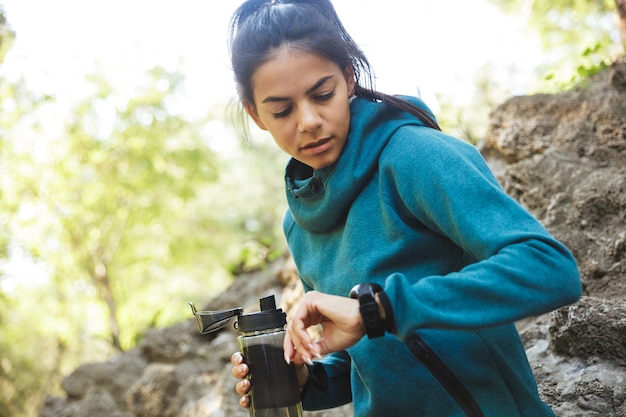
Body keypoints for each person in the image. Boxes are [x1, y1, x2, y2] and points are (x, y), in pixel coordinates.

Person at [227, 0, 582, 416]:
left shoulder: (414, 156)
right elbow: (365, 357)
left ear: (348, 76)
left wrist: (383, 308)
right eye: (282, 110)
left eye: (323, 94)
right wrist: (308, 380)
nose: (308, 120)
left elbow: (550, 268)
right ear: (256, 114)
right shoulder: (299, 223)